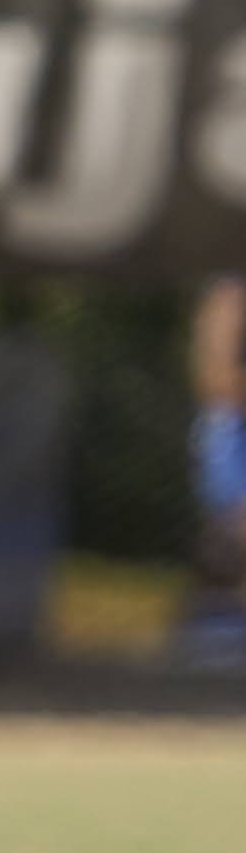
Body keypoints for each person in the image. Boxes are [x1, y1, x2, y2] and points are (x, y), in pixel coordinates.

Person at [187, 276, 245, 663]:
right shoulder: (231, 294)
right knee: (234, 535)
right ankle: (217, 643)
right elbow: (217, 380)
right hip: (234, 435)